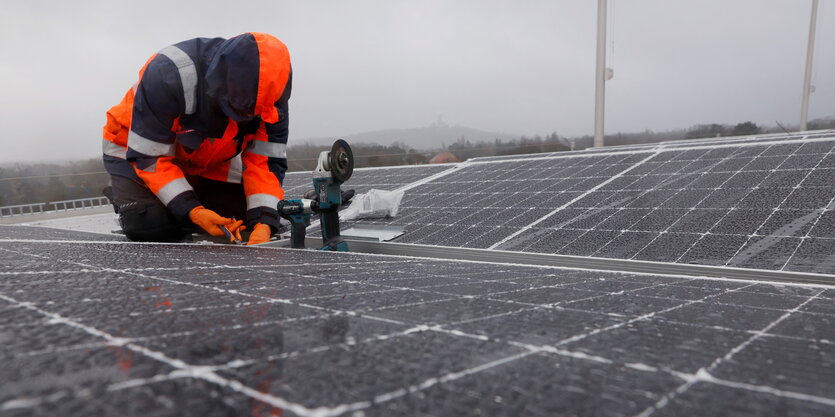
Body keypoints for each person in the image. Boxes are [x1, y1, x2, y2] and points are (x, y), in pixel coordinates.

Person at [101, 32, 292, 245]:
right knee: (152, 225)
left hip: (204, 161)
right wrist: (192, 211)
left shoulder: (270, 101)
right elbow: (150, 159)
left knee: (244, 221)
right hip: (135, 153)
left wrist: (264, 223)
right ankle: (127, 192)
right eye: (240, 111)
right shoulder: (168, 74)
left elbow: (264, 165)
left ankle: (184, 200)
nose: (248, 117)